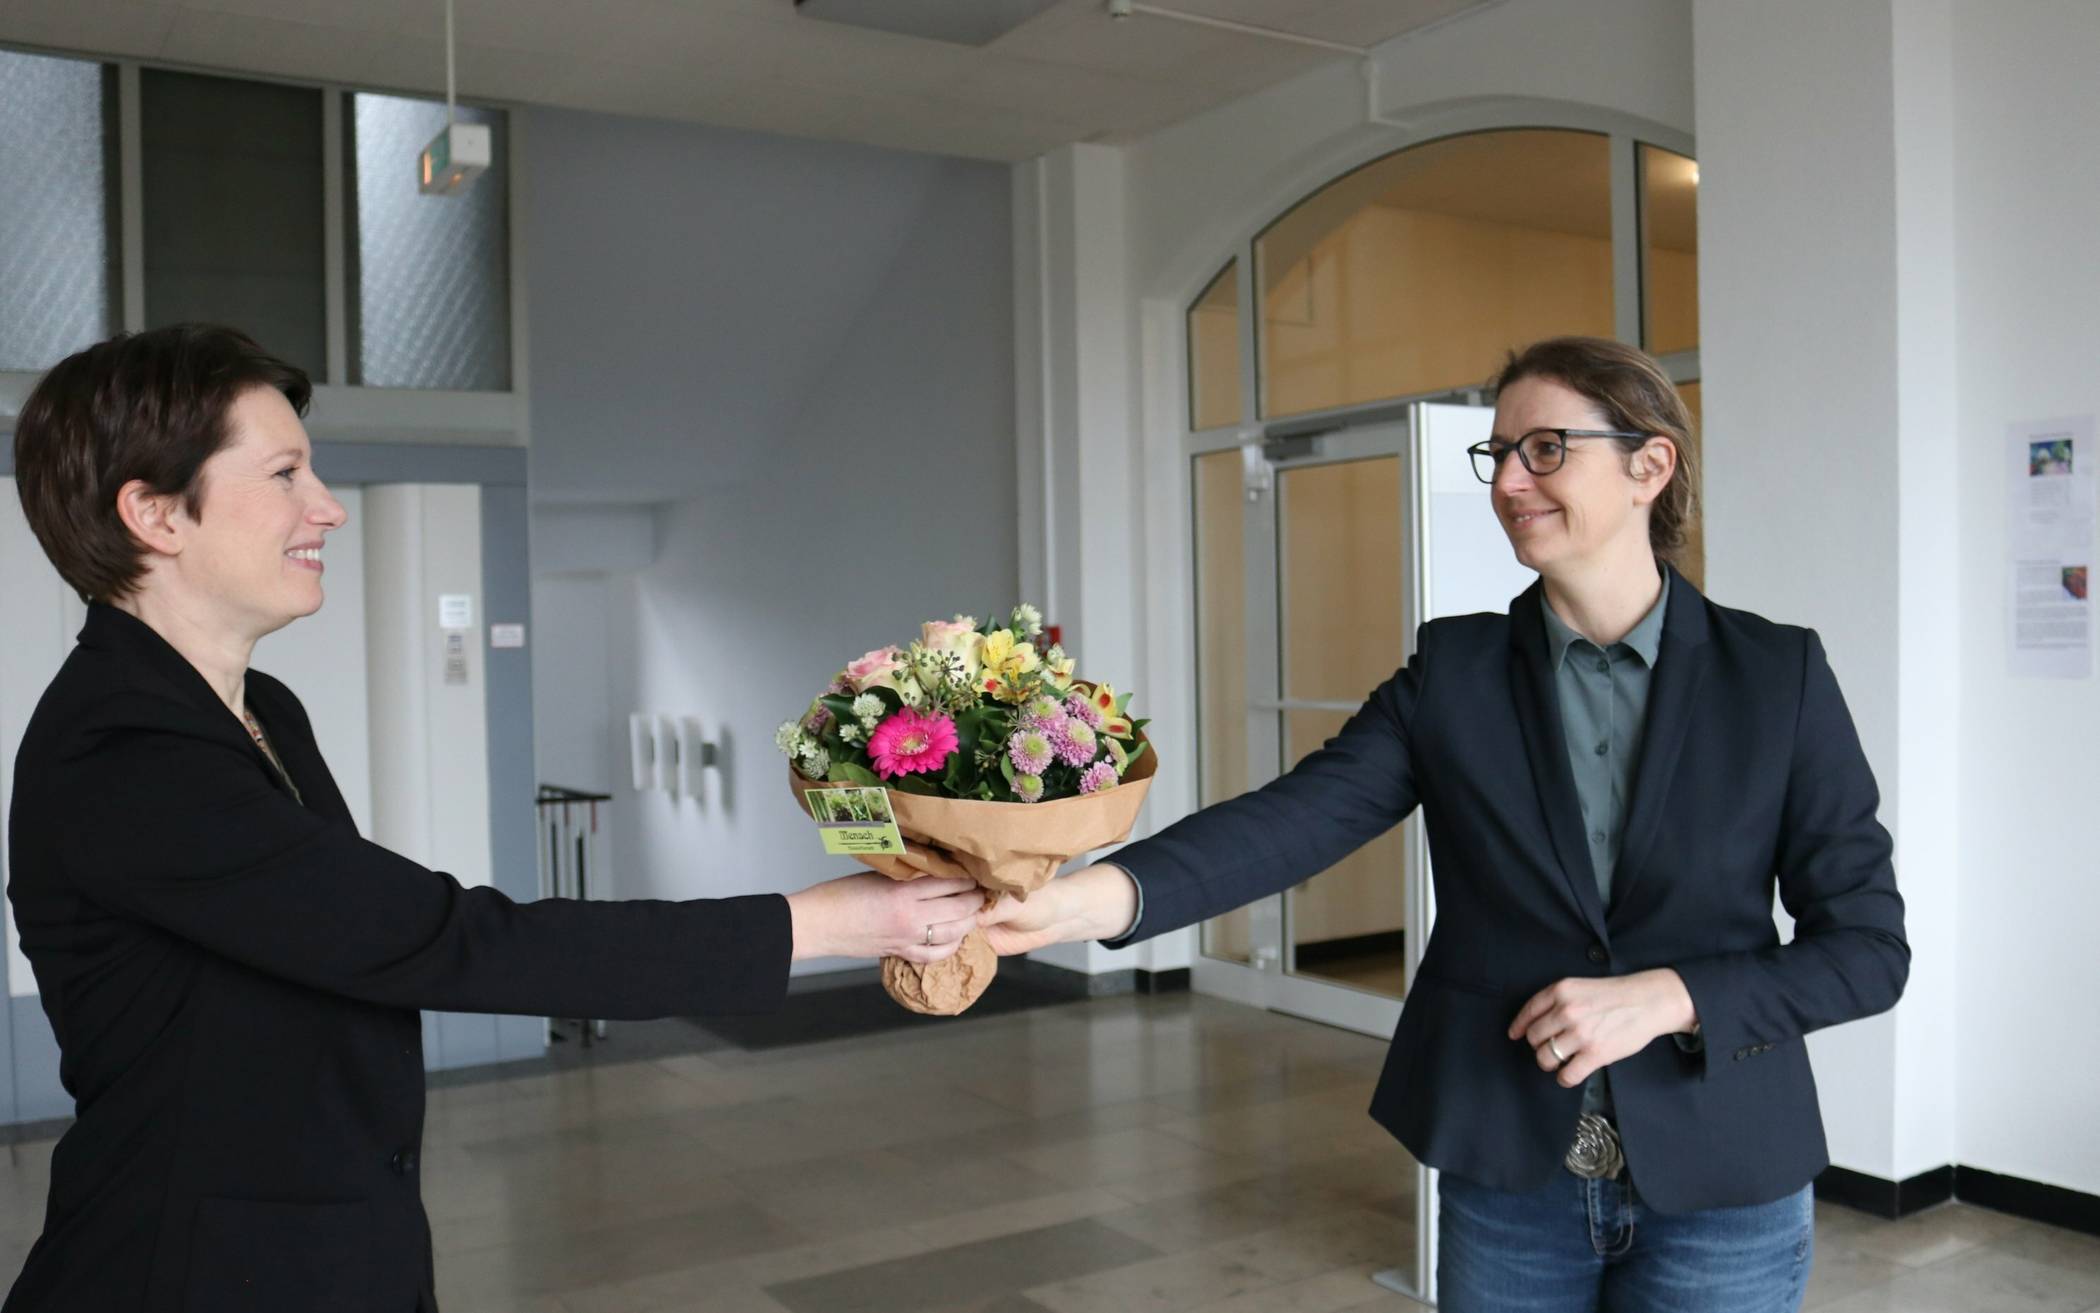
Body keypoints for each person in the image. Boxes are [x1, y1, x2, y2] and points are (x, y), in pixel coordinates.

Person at [2, 324, 984, 1312]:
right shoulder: (123, 756)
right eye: (286, 472)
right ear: (155, 513)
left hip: (321, 1242)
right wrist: (833, 921)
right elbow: (439, 940)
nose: (328, 508)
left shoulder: (264, 711)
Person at [983, 336, 1909, 1312]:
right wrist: (1079, 901)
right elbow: (1297, 820)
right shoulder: (1455, 672)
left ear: (1651, 463)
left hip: (1727, 1176)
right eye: (1498, 452)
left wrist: (1672, 995)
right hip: (1513, 1176)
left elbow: (1867, 948)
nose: (1509, 479)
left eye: (1545, 447)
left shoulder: (1777, 676)